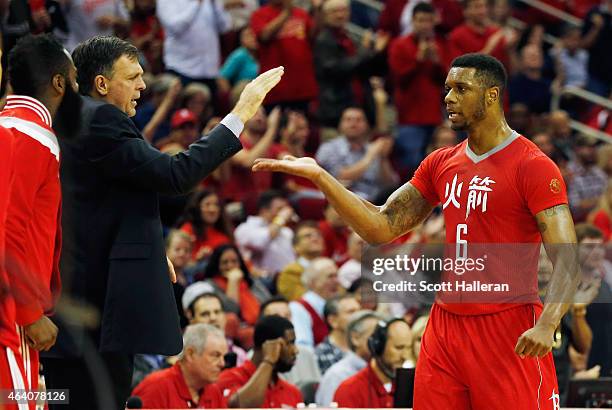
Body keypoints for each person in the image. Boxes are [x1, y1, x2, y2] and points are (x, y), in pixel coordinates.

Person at [253, 53, 579, 409]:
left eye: (461, 89)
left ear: (491, 95)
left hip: (507, 323)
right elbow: (381, 226)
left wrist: (548, 324)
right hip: (445, 324)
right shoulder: (441, 162)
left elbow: (568, 259)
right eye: (447, 89)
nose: (448, 98)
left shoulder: (533, 166)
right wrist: (321, 177)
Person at [43, 34, 283, 410]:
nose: (143, 85)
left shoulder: (76, 119)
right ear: (102, 83)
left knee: (67, 399)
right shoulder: (101, 117)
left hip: (78, 301)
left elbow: (93, 205)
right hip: (94, 309)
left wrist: (150, 247)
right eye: (133, 76)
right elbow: (175, 175)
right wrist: (241, 114)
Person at [1, 34, 82, 396]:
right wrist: (29, 312)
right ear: (59, 83)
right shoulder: (29, 134)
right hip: (11, 314)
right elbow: (7, 227)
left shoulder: (16, 127)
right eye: (75, 80)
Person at [132, 324, 228, 409]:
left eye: (224, 357)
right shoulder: (156, 388)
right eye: (215, 355)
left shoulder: (213, 390)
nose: (222, 364)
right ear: (190, 354)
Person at [216, 315, 303, 408]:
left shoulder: (293, 392)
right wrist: (269, 360)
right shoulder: (230, 378)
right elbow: (240, 407)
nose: (295, 350)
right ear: (267, 346)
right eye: (289, 343)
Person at [333, 319, 413, 408]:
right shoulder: (350, 390)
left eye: (409, 348)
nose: (405, 356)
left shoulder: (410, 387)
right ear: (378, 346)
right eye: (399, 348)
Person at [315, 310, 381, 406]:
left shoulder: (382, 371)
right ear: (355, 338)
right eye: (376, 336)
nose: (381, 342)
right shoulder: (338, 375)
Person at [197, 244, 270, 325]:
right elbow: (231, 311)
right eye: (225, 262)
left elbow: (268, 302)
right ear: (217, 265)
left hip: (263, 322)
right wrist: (233, 281)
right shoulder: (210, 285)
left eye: (234, 261)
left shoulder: (249, 280)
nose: (230, 266)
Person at [183, 291, 248, 367]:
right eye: (205, 314)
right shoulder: (181, 351)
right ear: (192, 320)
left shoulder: (239, 354)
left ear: (225, 317)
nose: (213, 318)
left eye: (217, 312)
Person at [289, 257, 340, 347]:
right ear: (312, 282)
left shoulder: (339, 304)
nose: (336, 281)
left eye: (337, 276)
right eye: (330, 276)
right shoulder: (298, 308)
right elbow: (303, 346)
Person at [177, 189, 233, 262]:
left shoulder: (224, 236)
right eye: (207, 204)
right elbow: (177, 260)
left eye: (216, 205)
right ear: (197, 208)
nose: (212, 209)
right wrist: (197, 259)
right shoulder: (187, 229)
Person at [277, 221, 325, 301]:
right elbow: (301, 301)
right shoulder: (290, 272)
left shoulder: (330, 266)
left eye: (318, 235)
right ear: (296, 247)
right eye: (308, 236)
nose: (315, 238)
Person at [315, 294, 361, 374]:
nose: (359, 316)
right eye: (351, 312)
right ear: (333, 321)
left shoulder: (366, 348)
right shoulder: (321, 355)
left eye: (360, 311)